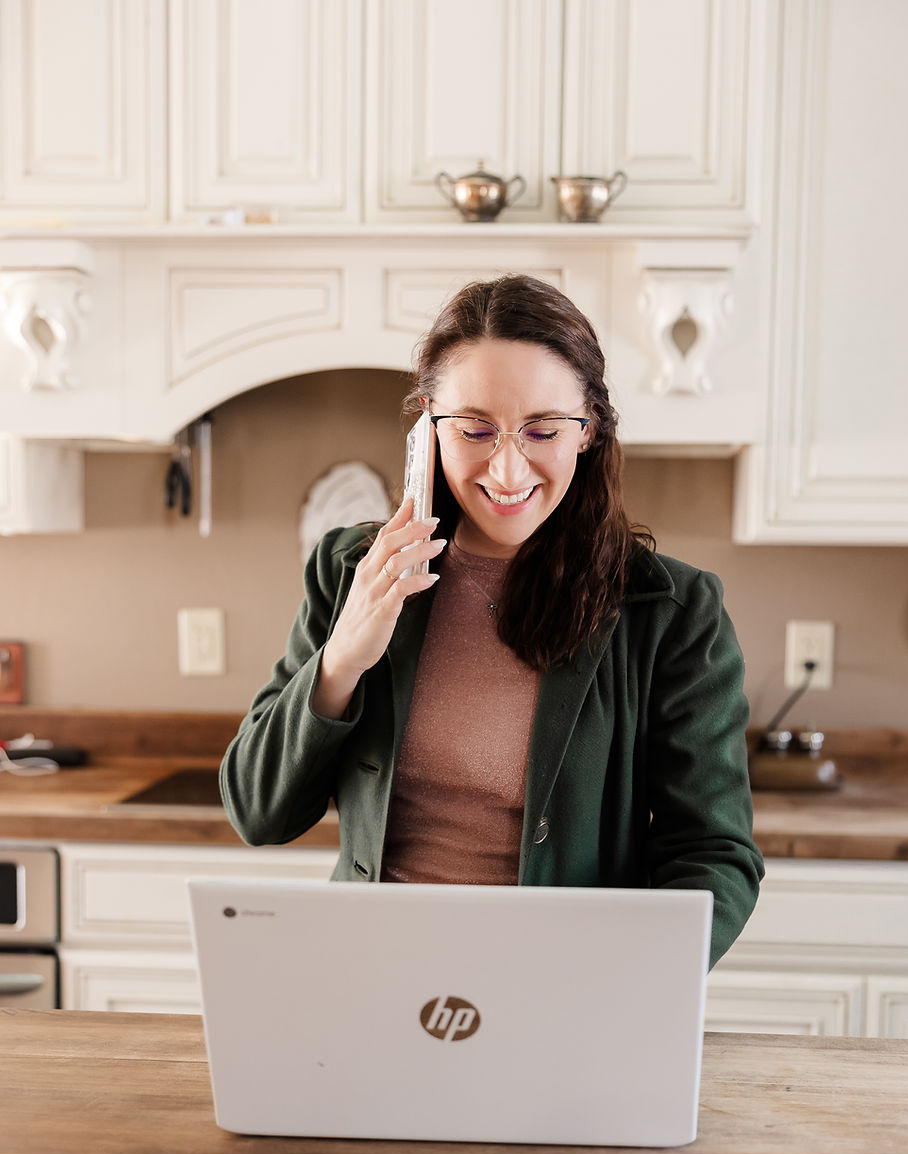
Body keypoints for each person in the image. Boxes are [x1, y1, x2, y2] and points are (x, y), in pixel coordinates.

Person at [220, 274, 763, 968]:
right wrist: (342, 659)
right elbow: (258, 811)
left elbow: (714, 854)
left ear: (590, 429)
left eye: (543, 429)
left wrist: (626, 982)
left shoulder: (671, 613)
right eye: (475, 429)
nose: (507, 469)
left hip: (560, 989)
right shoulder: (351, 570)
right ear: (428, 425)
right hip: (370, 976)